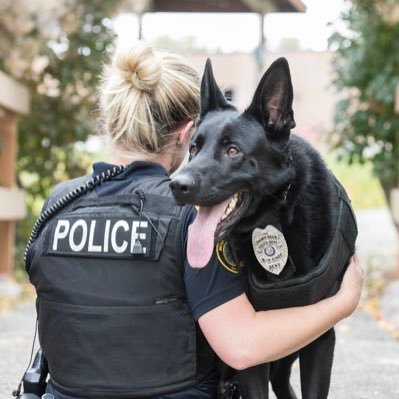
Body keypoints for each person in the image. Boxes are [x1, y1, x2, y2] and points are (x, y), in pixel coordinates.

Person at [25, 41, 363, 399]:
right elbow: (243, 347)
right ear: (188, 134)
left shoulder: (59, 202)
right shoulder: (189, 221)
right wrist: (340, 303)